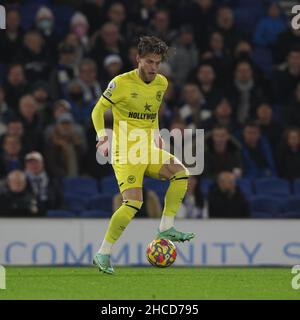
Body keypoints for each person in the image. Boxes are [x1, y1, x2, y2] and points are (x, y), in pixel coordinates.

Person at [91, 36, 195, 274]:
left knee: (181, 174)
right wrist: (102, 136)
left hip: (148, 147)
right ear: (138, 59)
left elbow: (153, 111)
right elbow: (98, 110)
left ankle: (166, 227)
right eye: (149, 62)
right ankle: (103, 253)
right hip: (125, 151)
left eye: (157, 63)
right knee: (133, 203)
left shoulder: (162, 83)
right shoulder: (120, 83)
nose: (154, 68)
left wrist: (157, 134)